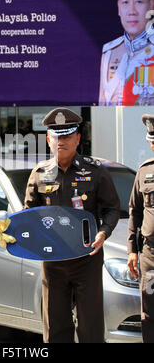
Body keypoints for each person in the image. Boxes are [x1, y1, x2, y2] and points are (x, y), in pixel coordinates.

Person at [24, 107, 120, 343]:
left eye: (66, 136)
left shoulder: (96, 172)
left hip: (86, 258)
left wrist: (104, 233)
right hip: (53, 260)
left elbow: (112, 208)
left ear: (77, 138)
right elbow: (29, 214)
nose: (61, 142)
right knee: (56, 326)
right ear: (48, 140)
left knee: (91, 326)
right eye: (56, 137)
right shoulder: (39, 174)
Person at [99, 0, 154, 106]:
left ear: (151, 5)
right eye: (125, 2)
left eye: (139, 2)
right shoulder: (109, 51)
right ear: (118, 7)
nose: (132, 11)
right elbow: (102, 105)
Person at [128, 113, 154, 343]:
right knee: (149, 314)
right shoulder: (144, 172)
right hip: (151, 256)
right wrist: (132, 251)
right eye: (153, 143)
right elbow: (135, 211)